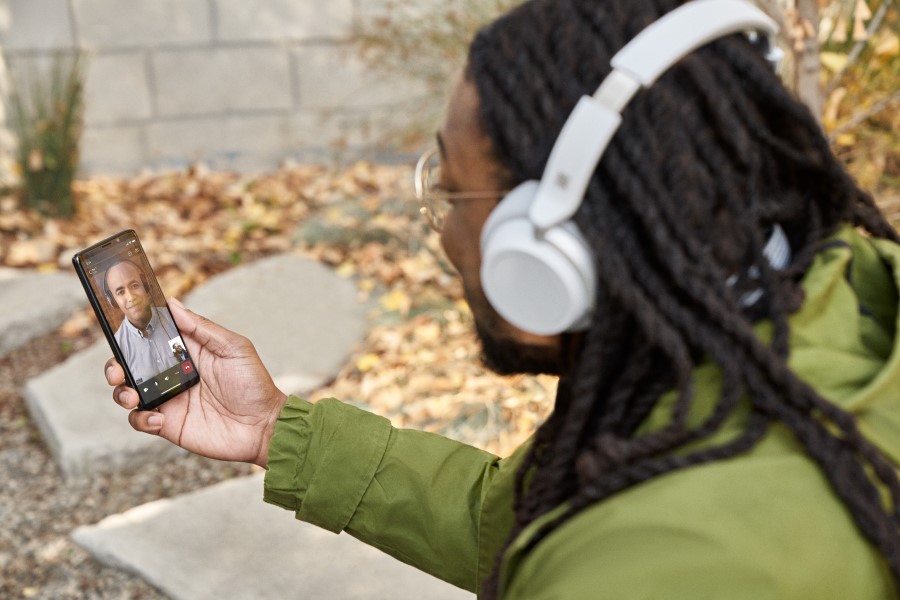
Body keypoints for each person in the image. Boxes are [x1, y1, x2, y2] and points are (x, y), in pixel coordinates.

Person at [104, 0, 900, 597]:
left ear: (546, 251)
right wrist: (276, 431)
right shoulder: (835, 298)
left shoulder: (652, 566)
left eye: (455, 193)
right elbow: (520, 521)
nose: (444, 234)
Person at [103, 258, 180, 384]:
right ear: (113, 301)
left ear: (145, 286)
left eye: (134, 286)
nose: (131, 297)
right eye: (120, 292)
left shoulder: (173, 318)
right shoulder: (119, 343)